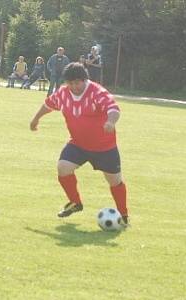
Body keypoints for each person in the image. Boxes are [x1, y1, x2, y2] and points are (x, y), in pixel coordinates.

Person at [30, 62, 129, 226]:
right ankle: (75, 203)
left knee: (114, 181)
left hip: (104, 147)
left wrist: (111, 122)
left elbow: (113, 109)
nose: (74, 86)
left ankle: (123, 215)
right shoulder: (63, 93)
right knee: (63, 167)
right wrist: (35, 119)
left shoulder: (97, 92)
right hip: (78, 144)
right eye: (70, 83)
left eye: (77, 82)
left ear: (85, 80)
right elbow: (48, 104)